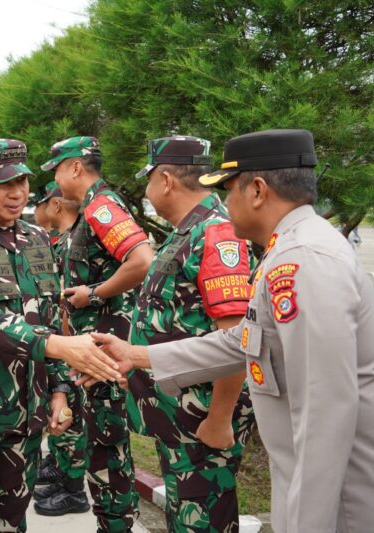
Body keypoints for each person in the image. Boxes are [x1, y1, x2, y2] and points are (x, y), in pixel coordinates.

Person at [89, 129, 374, 533]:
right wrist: (137, 355)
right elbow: (245, 340)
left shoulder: (305, 261)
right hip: (328, 493)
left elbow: (325, 415)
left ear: (257, 190)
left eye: (228, 190)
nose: (224, 203)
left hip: (348, 504)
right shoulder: (290, 249)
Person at [0, 138, 116, 532]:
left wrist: (60, 389)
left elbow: (54, 317)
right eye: (3, 185)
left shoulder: (35, 240)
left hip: (25, 418)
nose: (17, 194)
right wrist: (58, 346)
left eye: (23, 183)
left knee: (13, 523)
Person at [127, 135, 255, 531]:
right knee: (187, 517)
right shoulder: (189, 230)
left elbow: (235, 339)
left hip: (203, 420)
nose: (146, 192)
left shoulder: (216, 233)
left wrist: (219, 419)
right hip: (182, 419)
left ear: (165, 180)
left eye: (148, 180)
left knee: (204, 520)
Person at [41, 135, 153, 532]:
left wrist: (95, 293)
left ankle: (116, 523)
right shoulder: (90, 208)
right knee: (99, 444)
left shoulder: (102, 206)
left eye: (56, 169)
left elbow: (142, 260)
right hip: (94, 352)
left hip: (108, 351)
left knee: (108, 446)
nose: (55, 178)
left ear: (74, 167)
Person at [31, 182, 91, 517]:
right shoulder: (58, 240)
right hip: (64, 342)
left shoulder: (77, 239)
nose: (35, 211)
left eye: (38, 203)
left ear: (53, 205)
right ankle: (59, 470)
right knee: (63, 413)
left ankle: (73, 489)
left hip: (77, 342)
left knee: (73, 417)